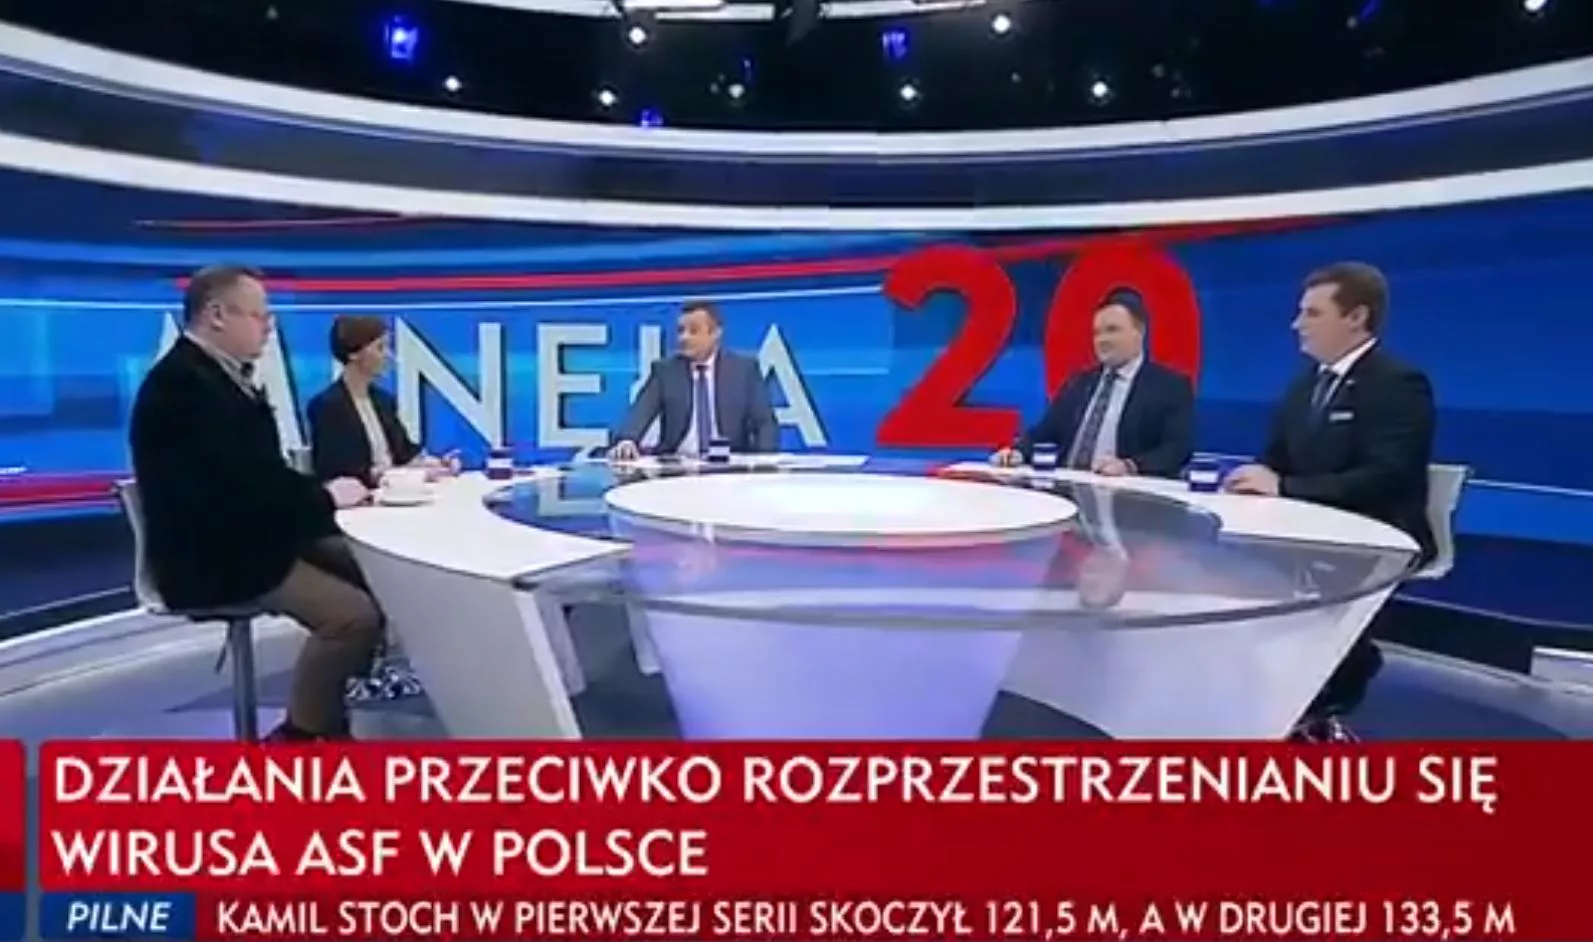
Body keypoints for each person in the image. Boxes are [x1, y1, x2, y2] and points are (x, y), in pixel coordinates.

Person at [128, 265, 380, 742]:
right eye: (260, 316)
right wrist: (325, 497)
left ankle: (334, 714)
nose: (269, 328)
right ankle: (300, 738)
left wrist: (322, 498)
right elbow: (239, 492)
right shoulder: (183, 387)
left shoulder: (219, 377)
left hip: (250, 532)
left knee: (375, 569)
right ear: (217, 315)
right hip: (216, 556)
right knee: (353, 616)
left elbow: (260, 479)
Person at [1224, 262, 1436, 743]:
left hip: (1376, 536)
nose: (1296, 324)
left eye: (1312, 313)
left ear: (1356, 317)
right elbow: (1276, 460)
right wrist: (1251, 481)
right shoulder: (1305, 386)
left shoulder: (1398, 382)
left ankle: (1327, 697)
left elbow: (1387, 476)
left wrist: (1286, 489)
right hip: (1303, 534)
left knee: (1299, 617)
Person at [992, 298, 1194, 478]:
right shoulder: (1078, 383)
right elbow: (1045, 432)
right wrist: (1017, 452)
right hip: (1066, 486)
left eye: (1112, 330)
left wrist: (1130, 466)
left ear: (1139, 332)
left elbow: (1176, 448)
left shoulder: (1170, 387)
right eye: (1097, 333)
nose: (1102, 340)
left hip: (1125, 493)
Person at [609, 301, 779, 460]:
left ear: (715, 333)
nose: (684, 338)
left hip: (730, 466)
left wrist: (762, 463)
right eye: (681, 331)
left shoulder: (743, 370)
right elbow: (641, 411)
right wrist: (628, 440)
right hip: (678, 465)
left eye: (693, 331)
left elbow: (765, 423)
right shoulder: (665, 371)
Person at [305, 315, 458, 488]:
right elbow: (335, 470)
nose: (388, 356)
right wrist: (393, 476)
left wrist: (438, 464)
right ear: (354, 354)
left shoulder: (383, 401)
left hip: (395, 492)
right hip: (358, 498)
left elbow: (404, 453)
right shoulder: (327, 406)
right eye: (380, 348)